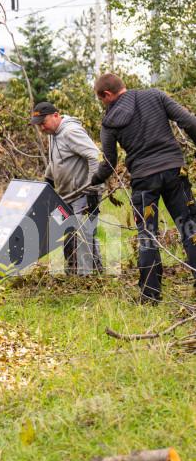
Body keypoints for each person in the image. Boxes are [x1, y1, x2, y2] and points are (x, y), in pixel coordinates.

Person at [88, 73, 196, 303]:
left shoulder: (109, 122)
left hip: (144, 180)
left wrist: (93, 181)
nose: (103, 104)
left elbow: (108, 162)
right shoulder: (155, 95)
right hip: (175, 171)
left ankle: (150, 295)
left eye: (101, 99)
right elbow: (189, 122)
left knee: (147, 235)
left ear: (107, 95)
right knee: (189, 227)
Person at [30, 101, 103, 275]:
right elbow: (56, 160)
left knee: (81, 235)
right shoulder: (52, 133)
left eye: (43, 122)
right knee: (66, 233)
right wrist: (48, 178)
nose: (41, 127)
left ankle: (88, 276)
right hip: (66, 195)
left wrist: (93, 189)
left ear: (56, 115)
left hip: (83, 193)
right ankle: (75, 272)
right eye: (38, 124)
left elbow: (95, 156)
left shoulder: (71, 132)